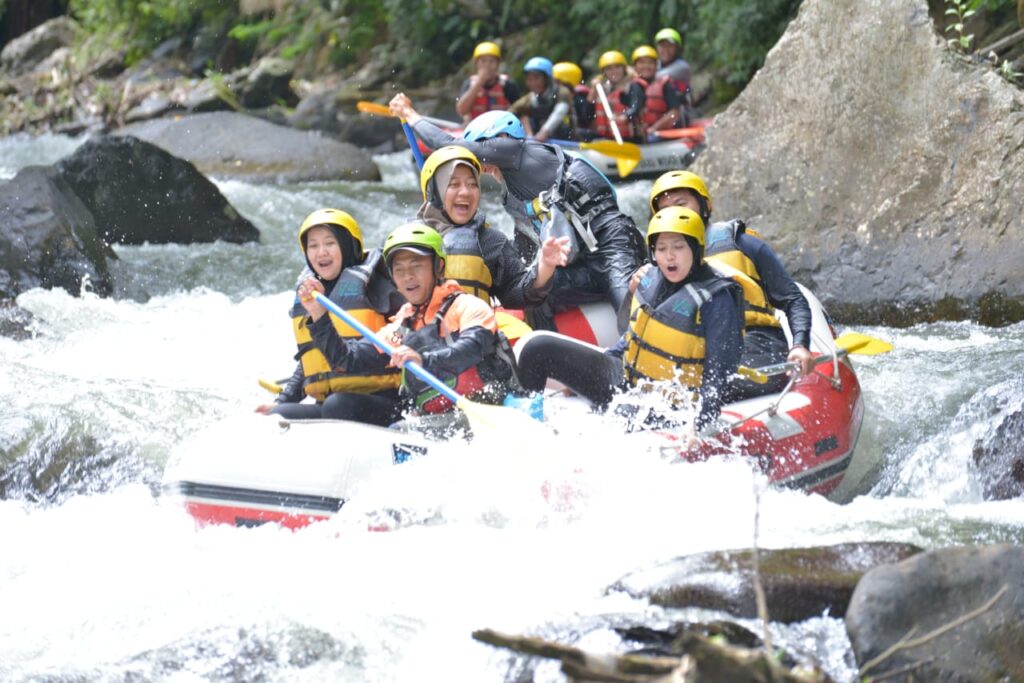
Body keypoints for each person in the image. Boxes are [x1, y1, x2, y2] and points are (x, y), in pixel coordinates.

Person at [389, 93, 646, 324]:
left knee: (627, 306)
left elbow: (450, 146)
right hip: (582, 260)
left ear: (501, 139)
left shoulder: (521, 152)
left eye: (482, 149)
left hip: (613, 241)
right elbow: (524, 259)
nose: (481, 164)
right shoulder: (513, 198)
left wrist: (410, 115)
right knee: (541, 296)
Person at [516, 206, 743, 447]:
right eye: (662, 248)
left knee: (608, 430)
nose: (669, 256)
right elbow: (632, 338)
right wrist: (580, 375)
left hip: (670, 402)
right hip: (624, 378)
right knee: (536, 348)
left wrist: (699, 422)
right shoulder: (651, 278)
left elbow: (719, 375)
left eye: (678, 247)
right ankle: (525, 429)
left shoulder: (717, 299)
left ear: (696, 249)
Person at [295, 222, 519, 419]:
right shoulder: (402, 326)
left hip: (490, 405)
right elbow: (347, 360)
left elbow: (471, 349)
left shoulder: (467, 306)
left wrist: (424, 360)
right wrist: (319, 314)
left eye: (416, 266)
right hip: (436, 419)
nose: (407, 277)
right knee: (340, 405)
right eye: (399, 270)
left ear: (438, 266)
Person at [647, 170, 815, 398]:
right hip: (695, 349)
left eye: (681, 204)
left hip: (755, 343)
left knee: (714, 381)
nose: (675, 213)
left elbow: (793, 299)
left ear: (704, 206)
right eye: (666, 209)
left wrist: (799, 345)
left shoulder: (743, 243)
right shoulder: (659, 265)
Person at [257, 208, 405, 423]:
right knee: (275, 416)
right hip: (332, 405)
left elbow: (409, 334)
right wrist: (285, 399)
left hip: (385, 401)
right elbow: (313, 355)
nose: (321, 252)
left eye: (329, 243)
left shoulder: (378, 284)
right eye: (313, 245)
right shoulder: (314, 292)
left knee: (338, 404)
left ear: (348, 245)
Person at [416, 145, 569, 310]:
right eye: (454, 185)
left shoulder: (491, 241)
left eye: (472, 184)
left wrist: (545, 267)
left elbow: (517, 293)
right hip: (425, 329)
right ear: (434, 193)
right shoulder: (411, 239)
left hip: (474, 330)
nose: (465, 192)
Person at [455, 41, 522, 124]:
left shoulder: (508, 84)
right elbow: (462, 111)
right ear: (476, 64)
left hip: (500, 129)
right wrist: (479, 82)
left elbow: (521, 111)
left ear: (497, 64)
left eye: (491, 61)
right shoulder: (469, 83)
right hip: (476, 130)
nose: (487, 65)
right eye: (483, 61)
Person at [509, 56, 574, 142]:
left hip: (566, 140)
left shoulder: (562, 92)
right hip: (539, 140)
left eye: (536, 78)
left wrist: (545, 131)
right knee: (523, 113)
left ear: (547, 79)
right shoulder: (530, 98)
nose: (533, 83)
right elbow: (511, 112)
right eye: (529, 79)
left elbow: (559, 113)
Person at [588, 50, 646, 142]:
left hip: (632, 138)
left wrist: (624, 117)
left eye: (617, 67)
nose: (614, 71)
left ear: (624, 69)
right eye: (609, 68)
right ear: (604, 72)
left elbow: (636, 106)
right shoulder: (604, 88)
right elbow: (587, 113)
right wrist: (593, 89)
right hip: (610, 137)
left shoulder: (633, 86)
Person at [631, 45, 684, 140]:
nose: (646, 66)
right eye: (642, 63)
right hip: (641, 136)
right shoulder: (632, 86)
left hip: (662, 134)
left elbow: (674, 113)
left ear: (656, 66)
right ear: (635, 67)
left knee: (652, 139)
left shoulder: (665, 85)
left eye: (650, 63)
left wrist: (653, 129)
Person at [653, 28, 693, 125]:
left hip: (680, 114)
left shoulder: (682, 67)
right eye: (662, 46)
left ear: (677, 49)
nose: (665, 50)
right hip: (660, 112)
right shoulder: (656, 65)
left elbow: (655, 76)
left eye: (670, 46)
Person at [552, 61, 594, 140]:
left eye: (556, 82)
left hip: (577, 135)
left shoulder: (579, 99)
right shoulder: (553, 97)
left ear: (566, 83)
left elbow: (586, 119)